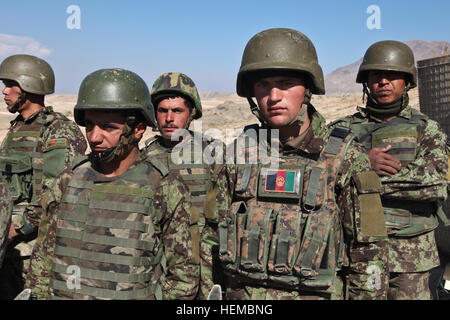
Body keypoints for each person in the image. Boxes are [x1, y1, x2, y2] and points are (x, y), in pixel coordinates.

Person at [218, 28, 389, 300]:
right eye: (263, 85)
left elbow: (369, 253)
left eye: (286, 83)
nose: (273, 96)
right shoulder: (237, 155)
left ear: (308, 89)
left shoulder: (346, 158)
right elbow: (209, 238)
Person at [29, 68, 198, 300]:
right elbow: (43, 259)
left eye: (108, 127)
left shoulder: (164, 186)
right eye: (89, 125)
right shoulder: (68, 180)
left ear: (138, 129)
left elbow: (183, 275)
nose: (94, 137)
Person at [332, 40, 448, 299]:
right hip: (356, 254)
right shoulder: (340, 130)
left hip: (410, 258)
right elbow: (323, 175)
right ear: (366, 81)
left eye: (392, 75)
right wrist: (363, 162)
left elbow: (434, 185)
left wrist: (361, 181)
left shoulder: (426, 129)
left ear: (407, 81)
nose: (383, 81)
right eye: (376, 75)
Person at [0, 54, 87, 299]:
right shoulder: (18, 127)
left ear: (28, 87)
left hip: (32, 248)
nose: (4, 92)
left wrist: (15, 228)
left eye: (10, 85)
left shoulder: (57, 130)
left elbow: (57, 194)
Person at [144, 72, 227, 299]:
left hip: (211, 260)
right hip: (166, 265)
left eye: (177, 111)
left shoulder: (213, 152)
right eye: (163, 111)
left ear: (191, 113)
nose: (169, 118)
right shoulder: (144, 158)